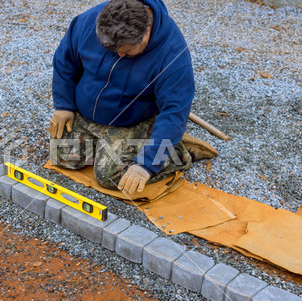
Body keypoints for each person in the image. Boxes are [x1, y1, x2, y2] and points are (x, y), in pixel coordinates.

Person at [49, 0, 215, 194]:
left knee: (112, 176)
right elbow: (65, 60)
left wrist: (146, 165)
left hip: (132, 121)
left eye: (126, 51)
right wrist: (64, 105)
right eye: (111, 50)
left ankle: (177, 151)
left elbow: (174, 111)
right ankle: (112, 145)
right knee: (59, 155)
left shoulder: (173, 56)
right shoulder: (90, 20)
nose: (119, 55)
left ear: (146, 32)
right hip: (88, 115)